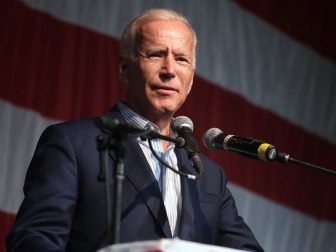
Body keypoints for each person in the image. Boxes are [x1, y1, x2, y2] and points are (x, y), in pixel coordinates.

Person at [6, 9, 264, 252]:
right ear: (124, 69)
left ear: (191, 80)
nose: (169, 70)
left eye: (181, 59)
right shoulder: (73, 143)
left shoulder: (209, 176)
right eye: (155, 54)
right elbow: (34, 239)